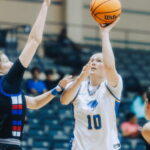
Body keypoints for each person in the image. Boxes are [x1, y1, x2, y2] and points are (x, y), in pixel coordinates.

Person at [0, 0, 72, 150]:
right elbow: (33, 40)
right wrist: (45, 5)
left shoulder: (9, 91)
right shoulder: (7, 83)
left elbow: (34, 103)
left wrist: (57, 89)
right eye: (6, 60)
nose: (11, 62)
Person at [61, 19, 123, 150]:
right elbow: (64, 100)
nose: (93, 62)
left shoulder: (111, 86)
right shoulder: (78, 85)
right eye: (91, 60)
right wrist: (80, 78)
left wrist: (105, 34)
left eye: (99, 60)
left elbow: (110, 67)